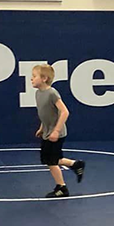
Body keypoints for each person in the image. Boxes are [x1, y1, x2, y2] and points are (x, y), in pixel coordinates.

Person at [31, 64, 86, 197]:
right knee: (50, 158)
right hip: (47, 132)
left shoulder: (52, 93)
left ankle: (62, 188)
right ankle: (76, 164)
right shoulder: (38, 93)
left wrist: (56, 131)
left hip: (56, 134)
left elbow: (65, 112)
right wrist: (42, 128)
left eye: (34, 76)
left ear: (44, 78)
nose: (31, 79)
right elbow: (45, 114)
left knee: (51, 161)